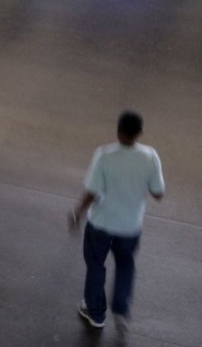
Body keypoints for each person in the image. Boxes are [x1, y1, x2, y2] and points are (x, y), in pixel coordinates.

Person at [70, 110, 164, 331]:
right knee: (125, 265)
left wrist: (77, 213)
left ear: (118, 130)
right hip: (130, 226)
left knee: (95, 265)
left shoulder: (104, 155)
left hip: (101, 223)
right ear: (140, 132)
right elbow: (158, 193)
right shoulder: (150, 156)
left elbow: (91, 191)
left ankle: (95, 313)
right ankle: (121, 309)